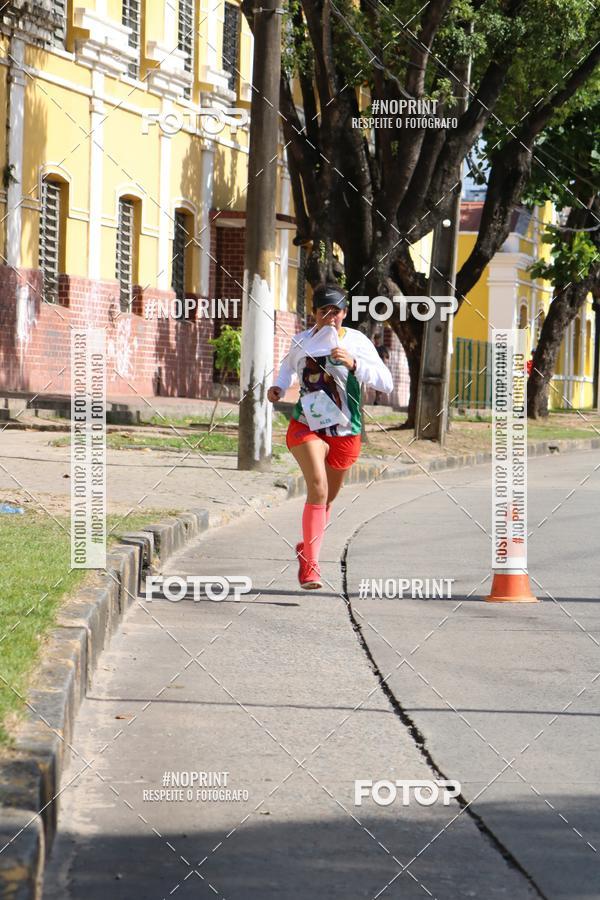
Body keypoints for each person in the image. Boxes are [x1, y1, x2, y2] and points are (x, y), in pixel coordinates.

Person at [267, 284, 394, 589]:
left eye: (335, 311)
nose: (330, 316)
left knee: (328, 499)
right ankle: (311, 568)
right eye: (323, 311)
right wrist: (279, 388)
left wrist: (354, 364)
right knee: (318, 488)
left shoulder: (358, 342)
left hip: (345, 430)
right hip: (306, 424)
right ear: (314, 313)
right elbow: (287, 370)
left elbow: (386, 383)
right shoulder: (301, 341)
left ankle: (306, 549)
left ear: (344, 313)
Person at [373, 333, 390, 405]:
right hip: (375, 367)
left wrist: (385, 358)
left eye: (378, 339)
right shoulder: (373, 348)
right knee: (376, 382)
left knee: (381, 382)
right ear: (374, 339)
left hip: (382, 368)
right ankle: (377, 397)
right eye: (376, 339)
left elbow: (387, 357)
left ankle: (378, 397)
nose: (377, 340)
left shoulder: (383, 348)